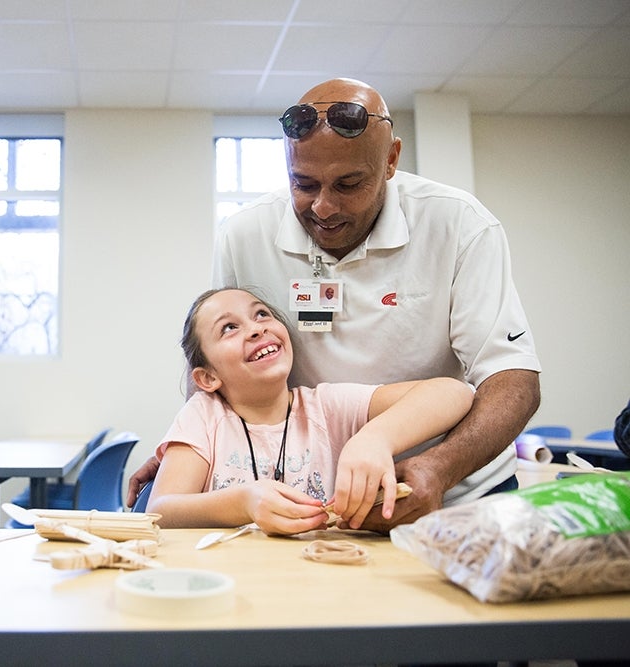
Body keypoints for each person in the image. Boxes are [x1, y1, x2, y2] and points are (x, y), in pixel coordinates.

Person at [129, 78, 541, 531]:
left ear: (390, 161)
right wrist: (190, 455)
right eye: (303, 184)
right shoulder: (244, 234)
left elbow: (512, 379)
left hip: (455, 487)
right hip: (324, 505)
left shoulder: (460, 224)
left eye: (349, 184)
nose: (323, 208)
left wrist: (438, 467)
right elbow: (213, 371)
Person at [147, 288, 473, 533]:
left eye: (261, 314)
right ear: (208, 377)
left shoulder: (325, 407)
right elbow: (160, 512)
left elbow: (453, 392)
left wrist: (375, 439)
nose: (257, 328)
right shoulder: (204, 415)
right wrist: (244, 501)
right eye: (228, 328)